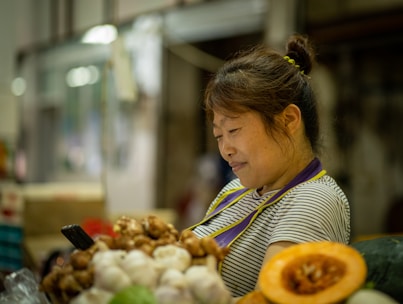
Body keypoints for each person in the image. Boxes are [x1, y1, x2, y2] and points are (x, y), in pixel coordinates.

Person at [187, 34, 351, 298]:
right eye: (219, 135)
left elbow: (268, 301)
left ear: (288, 119)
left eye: (234, 129)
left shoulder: (314, 200)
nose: (225, 148)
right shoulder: (233, 190)